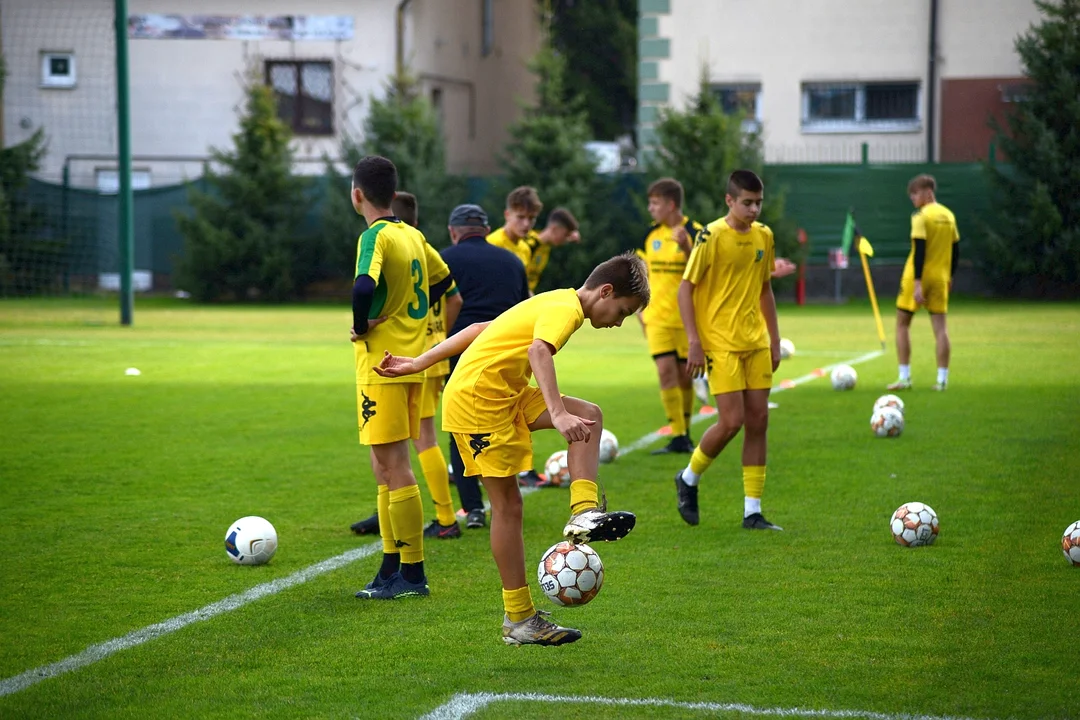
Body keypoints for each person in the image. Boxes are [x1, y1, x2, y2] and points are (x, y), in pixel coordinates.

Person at [372, 251, 650, 646]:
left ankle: (583, 511)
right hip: (478, 402)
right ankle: (519, 617)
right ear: (605, 291)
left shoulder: (555, 299)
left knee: (589, 416)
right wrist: (556, 412)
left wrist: (419, 362)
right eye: (623, 311)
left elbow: (483, 328)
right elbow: (539, 351)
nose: (619, 322)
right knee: (508, 506)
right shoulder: (566, 310)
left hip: (505, 394)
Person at [348, 156, 454, 600]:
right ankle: (390, 565)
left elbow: (362, 286)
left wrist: (363, 323)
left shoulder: (375, 236)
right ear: (392, 194)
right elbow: (444, 282)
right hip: (412, 362)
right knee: (383, 468)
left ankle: (412, 573)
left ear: (358, 195)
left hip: (382, 366)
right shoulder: (413, 235)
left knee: (393, 466)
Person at [674, 169, 783, 531]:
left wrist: (775, 339)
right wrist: (694, 341)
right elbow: (685, 289)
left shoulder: (764, 236)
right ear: (729, 201)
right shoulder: (711, 235)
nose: (753, 210)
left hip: (756, 342)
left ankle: (753, 511)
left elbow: (765, 288)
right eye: (747, 203)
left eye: (758, 203)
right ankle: (688, 478)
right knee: (731, 421)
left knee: (759, 421)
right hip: (720, 342)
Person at [441, 204, 531, 529]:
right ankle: (506, 498)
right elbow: (526, 305)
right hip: (509, 353)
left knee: (459, 428)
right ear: (485, 228)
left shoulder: (444, 258)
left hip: (463, 352)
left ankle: (474, 508)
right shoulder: (512, 261)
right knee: (508, 418)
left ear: (454, 231)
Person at [638, 178, 704, 455]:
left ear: (671, 204)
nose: (650, 208)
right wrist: (640, 308)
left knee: (684, 377)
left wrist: (688, 248)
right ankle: (677, 435)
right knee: (666, 374)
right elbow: (643, 273)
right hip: (656, 318)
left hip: (686, 320)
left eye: (655, 203)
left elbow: (704, 273)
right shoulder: (651, 235)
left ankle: (685, 434)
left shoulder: (696, 232)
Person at [887, 174, 959, 392]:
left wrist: (917, 283)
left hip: (916, 277)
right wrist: (950, 276)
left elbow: (919, 250)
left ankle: (904, 378)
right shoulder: (949, 216)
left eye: (915, 194)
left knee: (901, 324)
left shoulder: (921, 217)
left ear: (928, 192)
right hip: (940, 278)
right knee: (941, 329)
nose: (913, 199)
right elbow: (956, 251)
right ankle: (942, 380)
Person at [522, 207, 581, 293]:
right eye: (565, 234)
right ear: (554, 229)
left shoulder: (545, 248)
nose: (565, 240)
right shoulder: (529, 243)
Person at [487, 186, 540, 268]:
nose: (526, 224)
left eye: (531, 218)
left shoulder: (525, 250)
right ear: (507, 215)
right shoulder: (493, 244)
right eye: (520, 217)